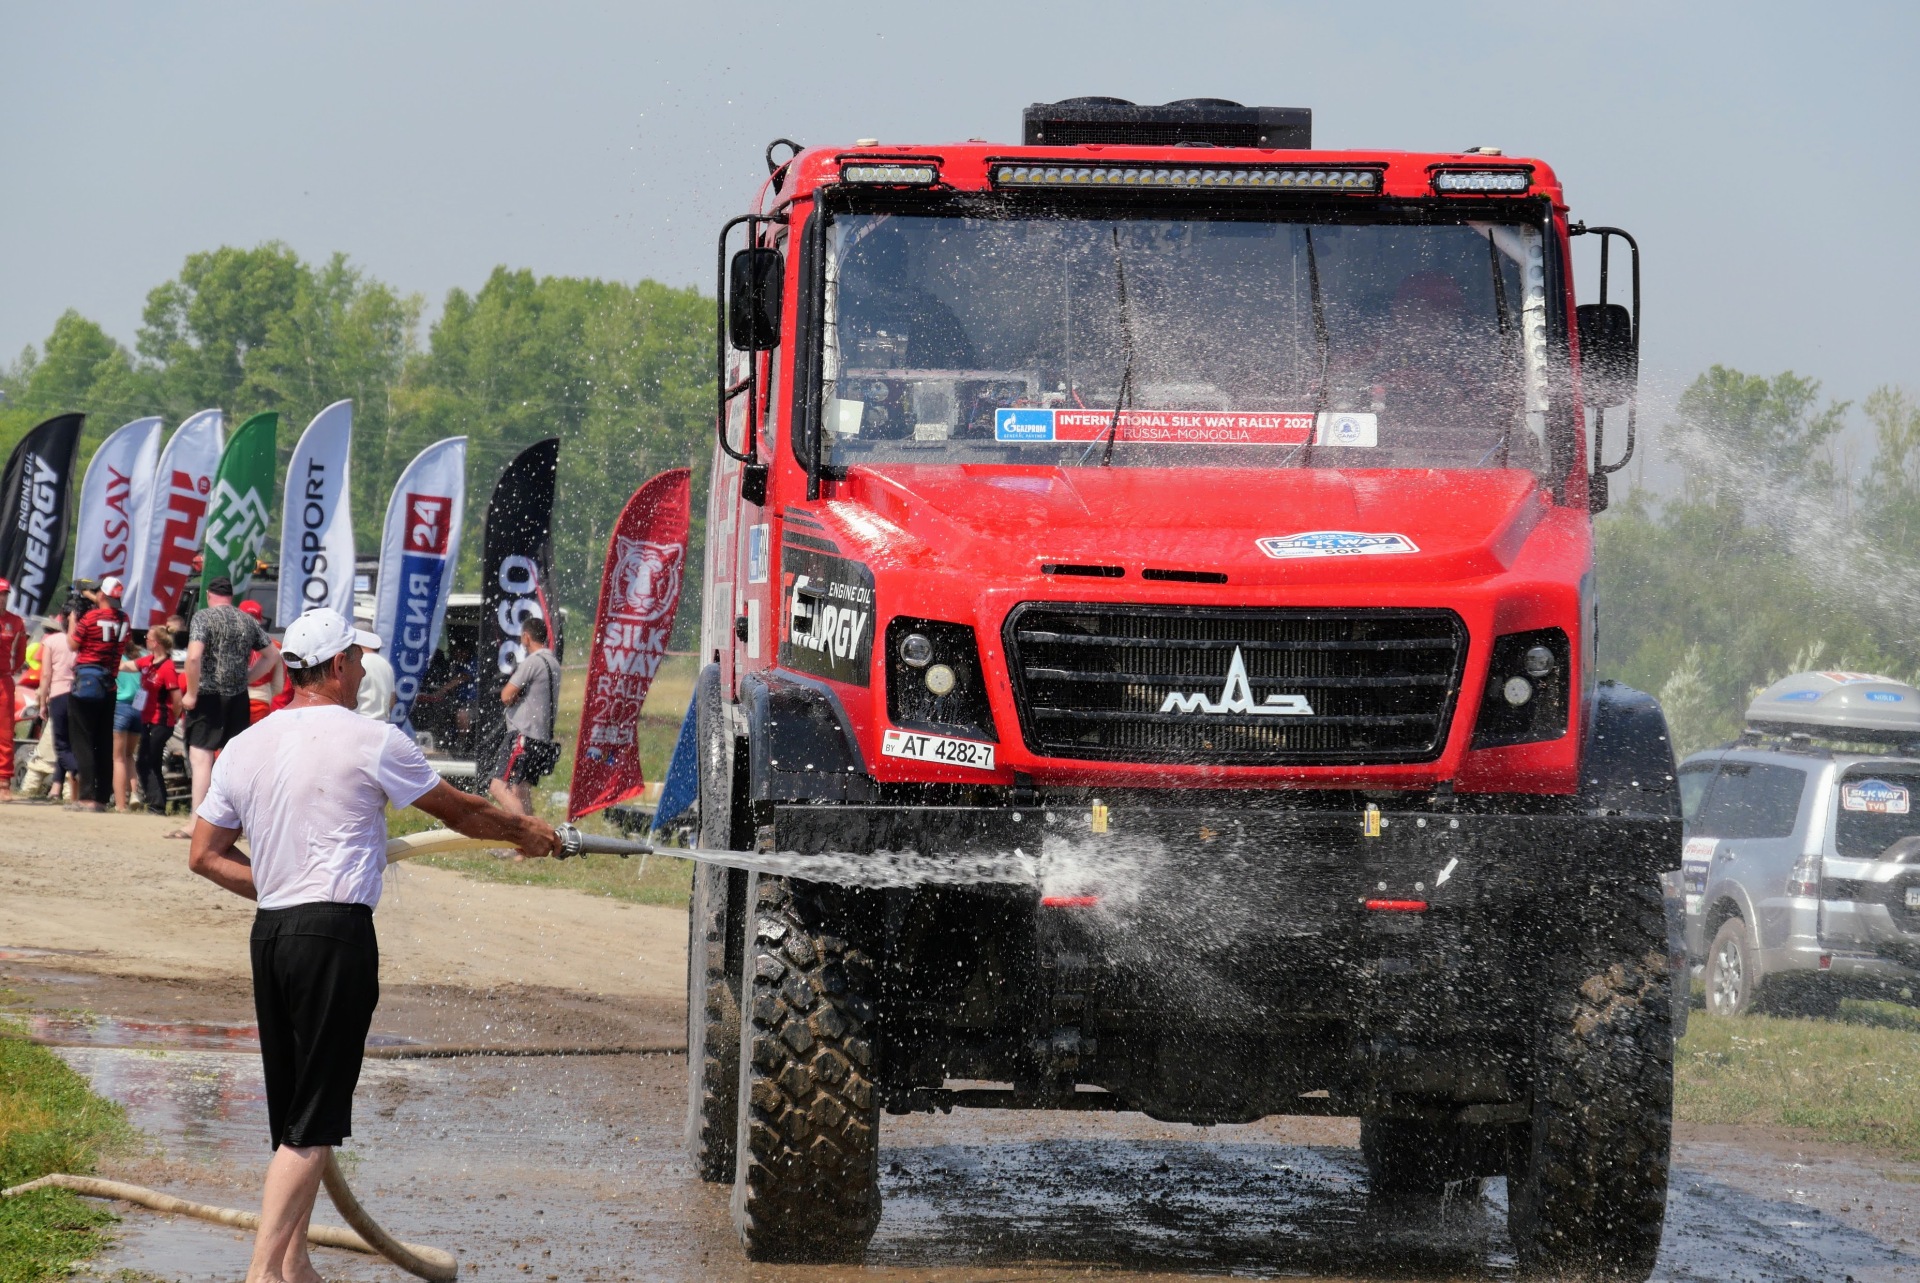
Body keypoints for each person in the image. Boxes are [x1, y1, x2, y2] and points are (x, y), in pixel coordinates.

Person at [186, 608, 561, 1283]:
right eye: (358, 659)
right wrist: (523, 830)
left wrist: (285, 883)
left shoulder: (245, 744)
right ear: (336, 665)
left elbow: (204, 856)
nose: (363, 670)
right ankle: (262, 1272)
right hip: (334, 936)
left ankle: (295, 1265)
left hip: (272, 934)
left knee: (296, 1114)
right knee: (314, 1122)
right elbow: (461, 811)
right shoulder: (372, 739)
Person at [182, 576, 281, 820]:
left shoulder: (203, 617)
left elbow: (194, 657)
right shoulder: (246, 620)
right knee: (234, 759)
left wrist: (191, 693)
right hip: (238, 696)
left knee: (201, 756)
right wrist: (247, 678)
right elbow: (272, 655)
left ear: (208, 595)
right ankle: (236, 819)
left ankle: (198, 820)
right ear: (231, 597)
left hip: (207, 695)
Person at [66, 578, 130, 812]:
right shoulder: (124, 619)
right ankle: (102, 797)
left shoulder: (90, 618)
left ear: (102, 594)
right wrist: (91, 596)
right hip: (109, 685)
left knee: (82, 740)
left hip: (86, 683)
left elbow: (73, 644)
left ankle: (85, 796)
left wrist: (72, 621)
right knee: (104, 742)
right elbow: (109, 609)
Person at [488, 616, 560, 818]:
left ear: (527, 637)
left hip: (523, 737)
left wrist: (514, 695)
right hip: (541, 739)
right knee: (520, 792)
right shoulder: (553, 662)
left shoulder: (533, 661)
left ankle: (528, 831)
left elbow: (506, 695)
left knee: (497, 787)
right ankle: (527, 838)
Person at [136, 625, 185, 815]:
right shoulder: (149, 661)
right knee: (147, 761)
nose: (146, 641)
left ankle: (157, 804)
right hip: (148, 718)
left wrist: (174, 716)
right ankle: (156, 802)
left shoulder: (167, 667)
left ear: (156, 643)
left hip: (161, 720)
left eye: (148, 638)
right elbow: (129, 666)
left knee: (148, 760)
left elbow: (177, 698)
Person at [36, 608, 78, 801]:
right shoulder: (82, 641)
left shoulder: (51, 641)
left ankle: (79, 773)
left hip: (59, 693)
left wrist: (42, 702)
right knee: (70, 743)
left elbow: (46, 674)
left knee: (61, 745)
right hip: (79, 694)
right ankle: (56, 786)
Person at [112, 630, 144, 811]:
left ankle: (120, 804)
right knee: (129, 755)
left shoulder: (116, 658)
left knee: (117, 758)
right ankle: (134, 794)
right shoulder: (142, 656)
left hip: (120, 706)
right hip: (138, 708)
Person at [240, 600, 285, 724]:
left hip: (233, 701)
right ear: (260, 620)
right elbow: (278, 686)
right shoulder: (275, 647)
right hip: (260, 702)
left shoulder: (228, 642)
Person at [0, 577, 25, 797]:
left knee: (5, 731)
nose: (2, 598)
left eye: (4, 594)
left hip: (3, 681)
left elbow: (21, 655)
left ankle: (4, 781)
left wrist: (9, 671)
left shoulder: (15, 622)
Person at [355, 636, 395, 723]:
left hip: (359, 722)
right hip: (382, 724)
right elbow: (392, 701)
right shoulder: (386, 665)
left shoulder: (357, 662)